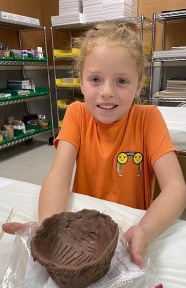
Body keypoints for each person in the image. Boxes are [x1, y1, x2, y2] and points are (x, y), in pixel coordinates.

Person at [3, 22, 186, 266]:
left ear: (139, 84)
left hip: (129, 227)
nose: (107, 92)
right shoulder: (77, 114)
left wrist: (144, 230)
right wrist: (49, 225)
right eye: (95, 79)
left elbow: (175, 188)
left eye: (121, 81)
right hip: (83, 231)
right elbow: (59, 176)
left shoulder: (148, 119)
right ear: (80, 80)